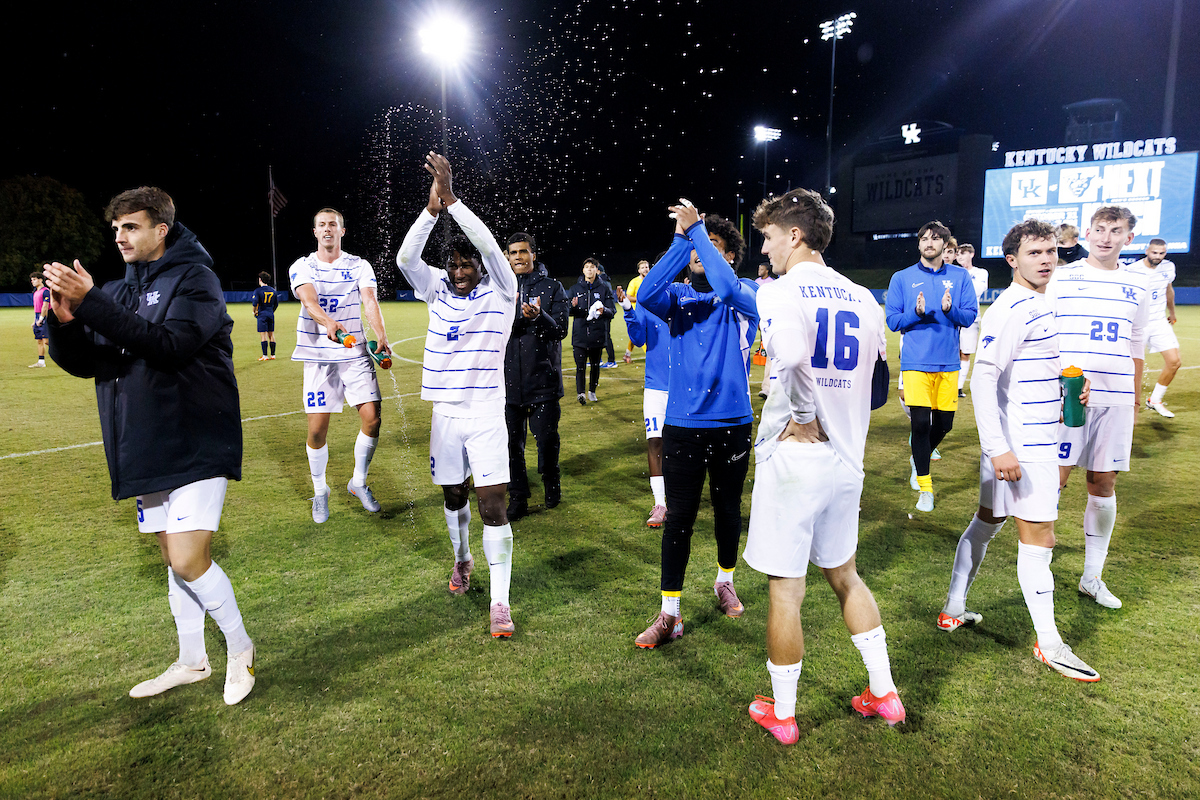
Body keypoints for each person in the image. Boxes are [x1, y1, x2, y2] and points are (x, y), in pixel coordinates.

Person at [43, 186, 255, 705]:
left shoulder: (196, 279)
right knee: (170, 557)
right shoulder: (116, 292)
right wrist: (67, 321)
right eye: (116, 228)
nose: (120, 236)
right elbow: (86, 363)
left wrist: (92, 301)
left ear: (161, 229)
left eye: (131, 226)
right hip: (145, 443)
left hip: (195, 438)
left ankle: (241, 648)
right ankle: (190, 660)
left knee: (187, 558)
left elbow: (170, 344)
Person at [744, 188, 903, 743]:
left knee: (786, 591)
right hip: (847, 462)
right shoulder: (863, 296)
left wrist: (806, 413)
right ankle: (884, 694)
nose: (764, 249)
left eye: (768, 237)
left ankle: (782, 713)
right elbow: (878, 385)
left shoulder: (781, 291)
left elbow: (787, 357)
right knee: (846, 576)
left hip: (798, 457)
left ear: (795, 235)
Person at [937, 219, 1100, 683]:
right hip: (1025, 446)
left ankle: (953, 608)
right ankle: (1049, 643)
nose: (1046, 259)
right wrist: (998, 449)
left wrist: (1073, 385)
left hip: (1022, 440)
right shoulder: (1014, 307)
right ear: (1012, 260)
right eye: (1034, 253)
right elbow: (984, 377)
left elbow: (1029, 369)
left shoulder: (1039, 302)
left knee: (986, 524)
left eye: (1051, 251)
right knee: (1040, 539)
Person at [396, 152, 519, 639]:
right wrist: (431, 211)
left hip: (486, 413)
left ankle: (500, 602)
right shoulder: (436, 292)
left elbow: (490, 246)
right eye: (453, 264)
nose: (460, 270)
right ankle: (463, 559)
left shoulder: (502, 291)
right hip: (445, 414)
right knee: (453, 495)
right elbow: (407, 259)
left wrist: (454, 200)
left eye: (467, 264)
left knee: (493, 503)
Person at [634, 202, 758, 648]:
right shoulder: (678, 298)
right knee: (679, 518)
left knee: (727, 511)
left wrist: (701, 232)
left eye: (714, 248)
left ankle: (724, 580)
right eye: (699, 249)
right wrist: (681, 240)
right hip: (683, 425)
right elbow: (646, 293)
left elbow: (726, 286)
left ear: (728, 255)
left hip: (732, 423)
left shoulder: (743, 293)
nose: (703, 255)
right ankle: (670, 613)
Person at [1046, 206, 1149, 610]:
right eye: (1100, 229)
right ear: (1087, 233)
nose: (1106, 237)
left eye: (1116, 231)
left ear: (1129, 238)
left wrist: (1136, 396)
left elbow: (1137, 342)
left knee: (1103, 483)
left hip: (1117, 397)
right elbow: (1046, 332)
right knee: (1053, 479)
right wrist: (1056, 381)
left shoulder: (1138, 284)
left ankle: (1092, 577)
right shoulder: (1063, 277)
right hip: (1069, 396)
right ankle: (1039, 564)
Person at [289, 207, 390, 524]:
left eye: (333, 224)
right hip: (319, 356)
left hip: (355, 353)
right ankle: (320, 491)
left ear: (342, 231)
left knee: (372, 418)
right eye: (322, 225)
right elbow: (309, 302)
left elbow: (369, 300)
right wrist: (328, 323)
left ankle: (358, 482)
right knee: (317, 430)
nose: (327, 229)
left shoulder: (359, 266)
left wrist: (381, 335)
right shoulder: (303, 266)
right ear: (315, 232)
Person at [885, 221, 978, 512]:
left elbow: (970, 316)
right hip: (915, 362)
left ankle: (918, 455)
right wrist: (915, 314)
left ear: (945, 245)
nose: (929, 242)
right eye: (924, 238)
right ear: (919, 244)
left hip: (948, 363)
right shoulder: (902, 278)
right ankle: (925, 486)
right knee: (921, 423)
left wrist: (951, 310)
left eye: (935, 239)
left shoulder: (960, 277)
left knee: (945, 424)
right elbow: (892, 321)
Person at [503, 232, 569, 521]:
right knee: (511, 445)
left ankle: (551, 484)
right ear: (506, 257)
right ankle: (518, 497)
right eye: (513, 252)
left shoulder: (552, 287)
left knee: (546, 440)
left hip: (543, 380)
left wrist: (539, 317)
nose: (518, 257)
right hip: (506, 384)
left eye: (523, 252)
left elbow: (561, 329)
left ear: (533, 254)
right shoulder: (499, 288)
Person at [618, 278, 670, 527]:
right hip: (656, 387)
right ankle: (660, 502)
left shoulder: (684, 301)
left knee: (686, 445)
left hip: (684, 387)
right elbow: (638, 339)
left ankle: (682, 498)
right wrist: (629, 309)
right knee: (655, 441)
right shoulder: (647, 304)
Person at [1126, 238, 1181, 418]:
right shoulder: (1132, 270)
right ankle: (1129, 407)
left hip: (1159, 321)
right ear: (1146, 250)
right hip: (1138, 324)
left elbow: (1168, 290)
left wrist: (1172, 313)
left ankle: (1155, 400)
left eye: (1161, 253)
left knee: (1174, 361)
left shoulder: (1168, 267)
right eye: (1154, 252)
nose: (1157, 256)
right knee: (1133, 369)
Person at [567, 258, 615, 404]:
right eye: (587, 267)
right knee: (580, 366)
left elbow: (612, 310)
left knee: (595, 366)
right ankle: (580, 393)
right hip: (580, 335)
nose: (589, 269)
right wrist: (573, 307)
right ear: (583, 270)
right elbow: (567, 311)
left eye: (592, 267)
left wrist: (604, 310)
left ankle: (592, 391)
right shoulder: (575, 289)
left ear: (596, 270)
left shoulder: (604, 288)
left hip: (597, 334)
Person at [956, 244, 989, 397]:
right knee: (952, 352)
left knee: (965, 352)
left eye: (963, 253)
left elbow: (977, 291)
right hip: (952, 317)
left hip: (971, 318)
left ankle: (958, 387)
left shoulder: (981, 272)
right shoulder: (952, 272)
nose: (960, 256)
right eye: (958, 254)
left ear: (972, 254)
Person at [622, 259, 651, 364]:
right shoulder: (634, 282)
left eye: (646, 267)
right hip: (637, 312)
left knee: (638, 334)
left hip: (651, 311)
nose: (645, 269)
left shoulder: (651, 280)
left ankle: (627, 355)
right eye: (642, 268)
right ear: (639, 270)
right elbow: (628, 297)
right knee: (643, 333)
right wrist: (642, 299)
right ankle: (650, 356)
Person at [252, 271, 279, 361]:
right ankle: (273, 355)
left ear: (260, 279)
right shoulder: (273, 290)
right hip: (270, 314)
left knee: (263, 335)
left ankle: (265, 355)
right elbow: (276, 304)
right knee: (271, 334)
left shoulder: (258, 291)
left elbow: (255, 303)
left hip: (262, 314)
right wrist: (271, 311)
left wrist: (254, 312)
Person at [29, 271, 51, 367]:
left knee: (46, 340)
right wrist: (35, 320)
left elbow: (45, 307)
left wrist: (41, 319)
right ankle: (41, 362)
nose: (32, 282)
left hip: (46, 317)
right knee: (39, 340)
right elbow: (36, 308)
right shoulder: (35, 292)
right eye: (32, 280)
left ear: (40, 280)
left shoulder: (45, 291)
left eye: (34, 279)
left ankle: (65, 351)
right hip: (38, 316)